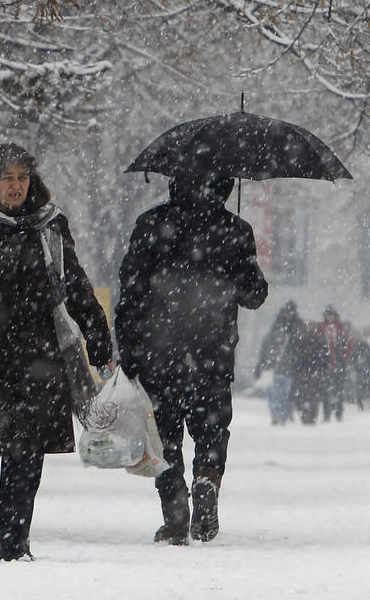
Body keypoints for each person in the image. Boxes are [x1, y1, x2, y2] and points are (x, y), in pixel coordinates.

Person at [0, 143, 112, 561]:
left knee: (26, 457)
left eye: (22, 178)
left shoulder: (49, 226)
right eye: (7, 178)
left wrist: (99, 340)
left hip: (36, 360)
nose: (15, 186)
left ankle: (15, 540)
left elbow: (75, 285)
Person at [115, 173, 268, 545]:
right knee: (212, 428)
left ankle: (175, 511)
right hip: (212, 352)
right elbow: (254, 295)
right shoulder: (235, 230)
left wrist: (128, 350)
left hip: (158, 351)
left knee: (163, 436)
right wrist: (238, 270)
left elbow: (131, 289)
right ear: (225, 186)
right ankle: (207, 477)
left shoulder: (152, 224)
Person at [254, 300, 304, 425]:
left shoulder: (278, 330)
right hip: (281, 368)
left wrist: (261, 365)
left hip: (283, 367)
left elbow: (265, 350)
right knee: (279, 393)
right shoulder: (296, 329)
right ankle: (279, 415)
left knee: (281, 394)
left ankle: (280, 414)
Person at [316, 305, 351, 422]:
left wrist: (344, 356)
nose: (330, 317)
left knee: (338, 390)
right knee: (325, 390)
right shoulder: (321, 328)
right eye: (328, 315)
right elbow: (317, 343)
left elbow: (347, 345)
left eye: (331, 315)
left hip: (338, 363)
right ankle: (327, 414)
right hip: (325, 363)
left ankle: (338, 413)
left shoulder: (340, 328)